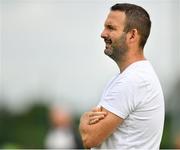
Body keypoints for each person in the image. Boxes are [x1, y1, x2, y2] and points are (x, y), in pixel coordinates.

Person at [79, 3, 165, 149]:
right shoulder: (126, 78)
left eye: (111, 28)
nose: (103, 33)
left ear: (132, 35)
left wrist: (83, 121)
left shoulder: (134, 80)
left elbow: (90, 138)